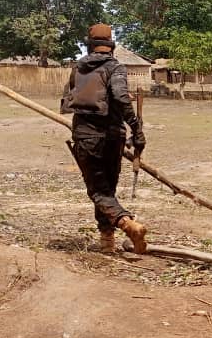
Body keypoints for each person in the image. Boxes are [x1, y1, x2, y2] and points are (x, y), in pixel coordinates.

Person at [61, 23, 148, 254]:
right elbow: (120, 97)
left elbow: (69, 101)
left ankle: (127, 224)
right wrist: (136, 129)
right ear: (111, 46)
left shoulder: (78, 68)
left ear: (89, 45)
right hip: (112, 137)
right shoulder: (115, 67)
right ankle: (107, 242)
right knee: (106, 190)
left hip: (86, 136)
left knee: (98, 192)